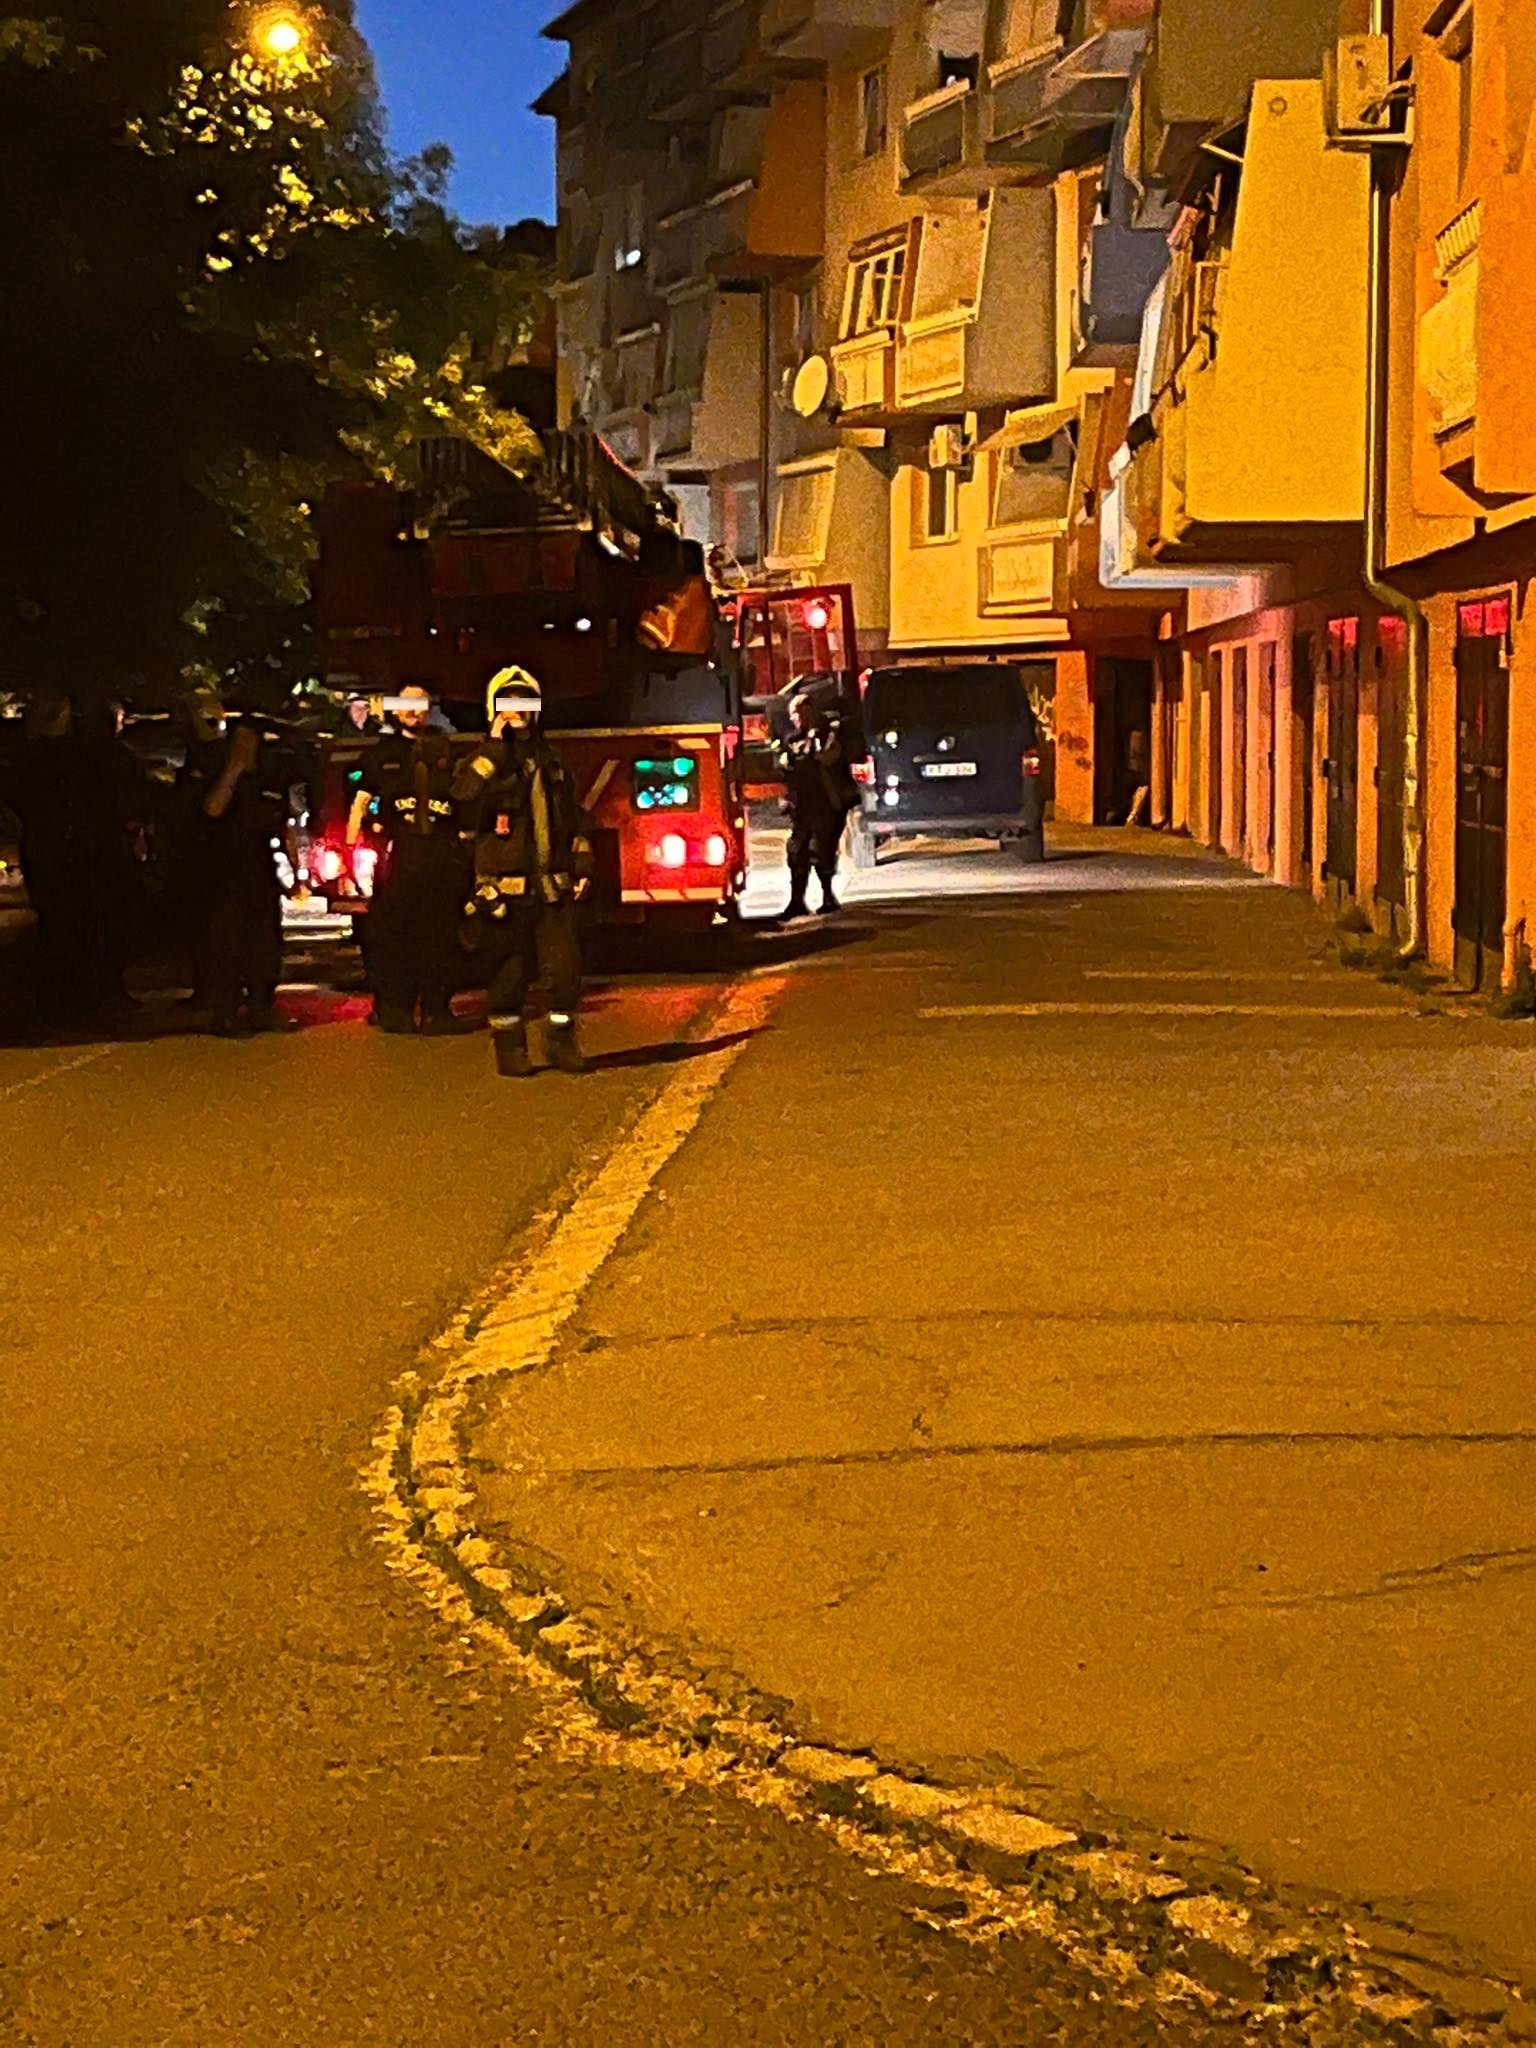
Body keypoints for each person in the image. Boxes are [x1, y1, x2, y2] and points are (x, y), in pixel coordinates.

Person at [451, 666, 593, 1078]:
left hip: (551, 888)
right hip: (505, 894)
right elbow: (463, 798)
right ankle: (510, 1048)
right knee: (508, 975)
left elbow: (572, 818)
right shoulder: (483, 762)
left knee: (564, 971)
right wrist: (495, 748)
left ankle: (561, 1042)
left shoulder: (551, 760)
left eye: (524, 702)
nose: (517, 710)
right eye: (507, 703)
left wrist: (582, 863)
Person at [2, 691, 140, 1021]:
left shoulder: (85, 757)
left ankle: (77, 995)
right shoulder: (39, 759)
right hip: (58, 850)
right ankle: (65, 997)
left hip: (77, 849)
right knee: (63, 923)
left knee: (82, 921)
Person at [349, 685, 470, 1034]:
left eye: (420, 703)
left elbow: (465, 806)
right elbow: (360, 804)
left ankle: (436, 1010)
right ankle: (394, 1009)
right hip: (397, 861)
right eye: (406, 703)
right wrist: (351, 854)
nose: (413, 710)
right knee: (393, 937)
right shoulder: (380, 754)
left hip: (441, 860)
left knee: (440, 936)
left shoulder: (448, 751)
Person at [198, 709, 298, 1036]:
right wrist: (234, 770)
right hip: (225, 871)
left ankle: (261, 1005)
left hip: (262, 869)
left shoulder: (271, 776)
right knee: (226, 941)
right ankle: (225, 1010)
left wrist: (295, 871)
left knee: (265, 941)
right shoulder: (220, 771)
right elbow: (212, 809)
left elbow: (284, 824)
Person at [775, 692, 855, 918]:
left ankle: (828, 897)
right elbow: (785, 766)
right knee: (797, 852)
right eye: (793, 714)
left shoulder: (829, 734)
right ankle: (796, 902)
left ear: (809, 712)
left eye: (797, 713)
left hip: (825, 803)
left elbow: (827, 757)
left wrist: (806, 749)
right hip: (802, 805)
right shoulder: (792, 739)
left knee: (822, 851)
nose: (794, 718)